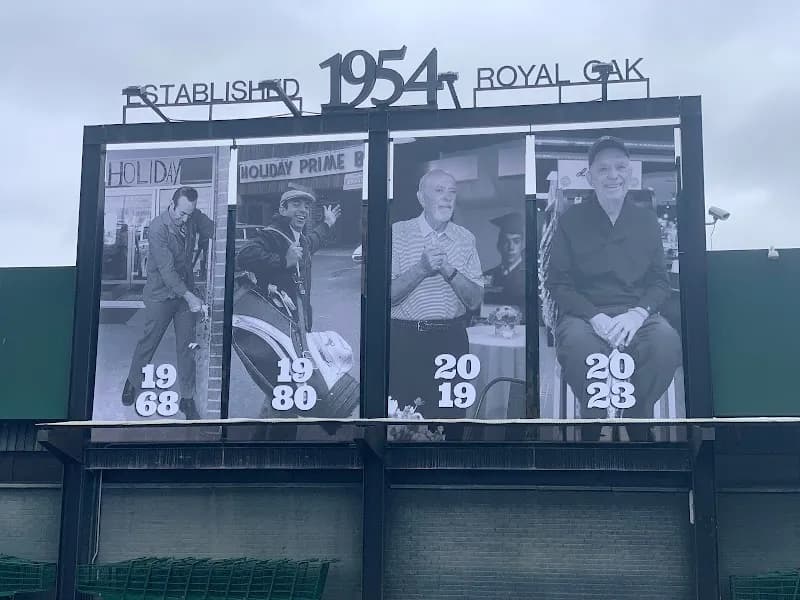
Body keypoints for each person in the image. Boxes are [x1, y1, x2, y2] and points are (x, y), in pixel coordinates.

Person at [545, 136, 682, 441]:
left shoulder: (647, 221)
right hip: (584, 317)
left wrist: (637, 315)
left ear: (630, 173)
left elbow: (660, 281)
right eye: (604, 169)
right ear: (590, 176)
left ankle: (637, 417)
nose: (613, 175)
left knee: (665, 343)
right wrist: (595, 317)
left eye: (620, 167)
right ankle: (592, 427)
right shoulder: (571, 220)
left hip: (637, 315)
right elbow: (559, 283)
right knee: (582, 350)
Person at [389, 169, 483, 418]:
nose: (447, 198)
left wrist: (448, 270)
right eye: (439, 191)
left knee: (450, 420)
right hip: (404, 342)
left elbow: (474, 301)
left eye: (452, 192)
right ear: (421, 198)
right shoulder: (397, 233)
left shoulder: (466, 238)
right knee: (402, 422)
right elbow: (384, 297)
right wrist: (422, 268)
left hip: (452, 341)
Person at [121, 186, 213, 420]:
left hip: (183, 297)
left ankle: (187, 398)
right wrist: (191, 296)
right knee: (149, 342)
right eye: (181, 214)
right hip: (161, 294)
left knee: (187, 347)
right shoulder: (157, 227)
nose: (184, 220)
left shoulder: (192, 216)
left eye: (189, 215)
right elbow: (167, 270)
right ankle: (133, 381)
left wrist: (206, 235)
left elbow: (215, 228)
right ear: (172, 205)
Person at [235, 189, 341, 332]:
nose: (303, 210)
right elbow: (244, 255)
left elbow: (314, 240)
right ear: (283, 210)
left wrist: (327, 223)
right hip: (276, 322)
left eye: (306, 207)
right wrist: (283, 261)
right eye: (296, 205)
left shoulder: (300, 239)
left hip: (300, 319)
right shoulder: (272, 235)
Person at [482, 212, 525, 312]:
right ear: (499, 245)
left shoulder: (531, 275)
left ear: (522, 245)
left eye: (516, 241)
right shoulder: (487, 276)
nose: (511, 247)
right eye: (506, 241)